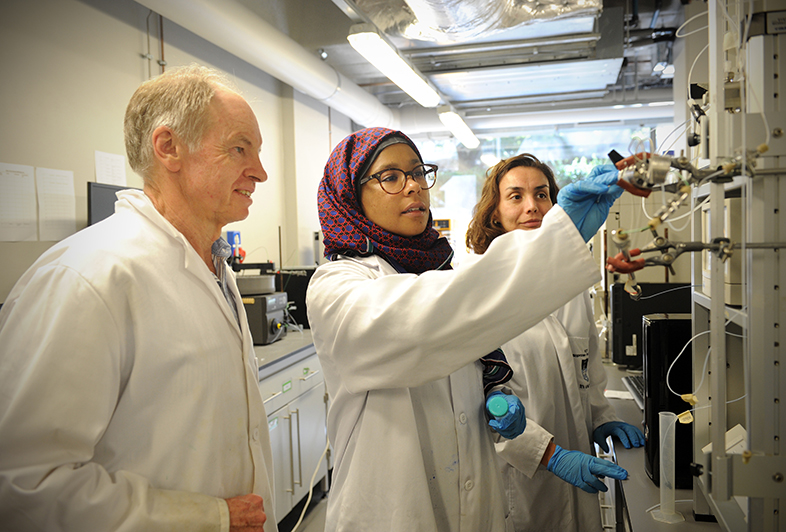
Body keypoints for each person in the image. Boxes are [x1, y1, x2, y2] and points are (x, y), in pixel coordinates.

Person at [0, 65, 277, 532]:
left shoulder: (214, 269)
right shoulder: (88, 276)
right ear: (168, 147)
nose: (261, 172)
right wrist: (208, 518)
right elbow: (25, 484)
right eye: (239, 149)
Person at [306, 128, 625, 532]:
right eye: (391, 177)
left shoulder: (443, 273)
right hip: (393, 513)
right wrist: (557, 240)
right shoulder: (336, 286)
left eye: (418, 173)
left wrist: (502, 410)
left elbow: (476, 383)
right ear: (350, 195)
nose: (414, 187)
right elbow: (425, 322)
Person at [465, 154, 645, 532]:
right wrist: (548, 454)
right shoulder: (479, 291)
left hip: (580, 472)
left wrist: (602, 418)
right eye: (516, 196)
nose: (532, 206)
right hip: (520, 483)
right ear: (495, 213)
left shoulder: (570, 284)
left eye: (542, 194)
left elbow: (588, 370)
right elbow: (482, 408)